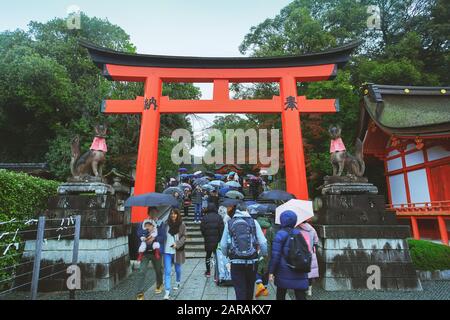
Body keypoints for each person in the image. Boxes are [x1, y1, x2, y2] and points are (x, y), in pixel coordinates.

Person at [220, 203, 268, 300]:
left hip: (236, 262)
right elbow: (263, 243)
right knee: (249, 290)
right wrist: (261, 255)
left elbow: (223, 245)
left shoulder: (229, 223)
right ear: (246, 210)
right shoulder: (254, 222)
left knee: (239, 290)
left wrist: (227, 255)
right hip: (252, 262)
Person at [269, 210, 309, 300]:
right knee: (300, 294)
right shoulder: (299, 233)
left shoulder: (280, 234)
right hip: (299, 267)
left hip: (283, 270)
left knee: (281, 293)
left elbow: (275, 256)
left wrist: (271, 271)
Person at [158, 209, 187, 300]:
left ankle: (178, 281)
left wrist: (177, 244)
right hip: (167, 251)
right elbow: (161, 235)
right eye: (172, 214)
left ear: (178, 215)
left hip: (177, 251)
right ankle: (167, 292)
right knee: (167, 271)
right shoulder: (166, 225)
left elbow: (184, 237)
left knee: (178, 269)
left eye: (175, 214)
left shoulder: (181, 225)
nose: (173, 215)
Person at [135, 210, 163, 299]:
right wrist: (146, 233)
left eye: (155, 213)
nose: (153, 214)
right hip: (145, 253)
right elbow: (138, 233)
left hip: (156, 252)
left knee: (158, 270)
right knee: (141, 271)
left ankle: (159, 284)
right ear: (148, 213)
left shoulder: (160, 223)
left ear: (157, 213)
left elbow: (163, 236)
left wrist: (154, 237)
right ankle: (140, 292)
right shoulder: (142, 223)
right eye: (151, 213)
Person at [200, 203, 224, 277]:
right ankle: (217, 272)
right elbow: (222, 229)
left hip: (208, 240)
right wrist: (220, 238)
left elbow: (202, 229)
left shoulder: (205, 217)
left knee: (208, 256)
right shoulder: (219, 217)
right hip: (217, 240)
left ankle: (208, 272)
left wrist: (206, 236)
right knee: (217, 256)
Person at [254, 213, 274, 298]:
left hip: (257, 249)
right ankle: (264, 289)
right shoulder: (270, 228)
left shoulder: (255, 225)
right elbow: (273, 241)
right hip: (267, 251)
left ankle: (259, 284)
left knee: (257, 267)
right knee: (266, 268)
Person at [297, 221, 319, 296]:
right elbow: (316, 241)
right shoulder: (312, 229)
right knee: (310, 273)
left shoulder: (297, 229)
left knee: (301, 272)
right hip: (311, 254)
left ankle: (301, 288)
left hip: (300, 254)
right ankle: (309, 290)